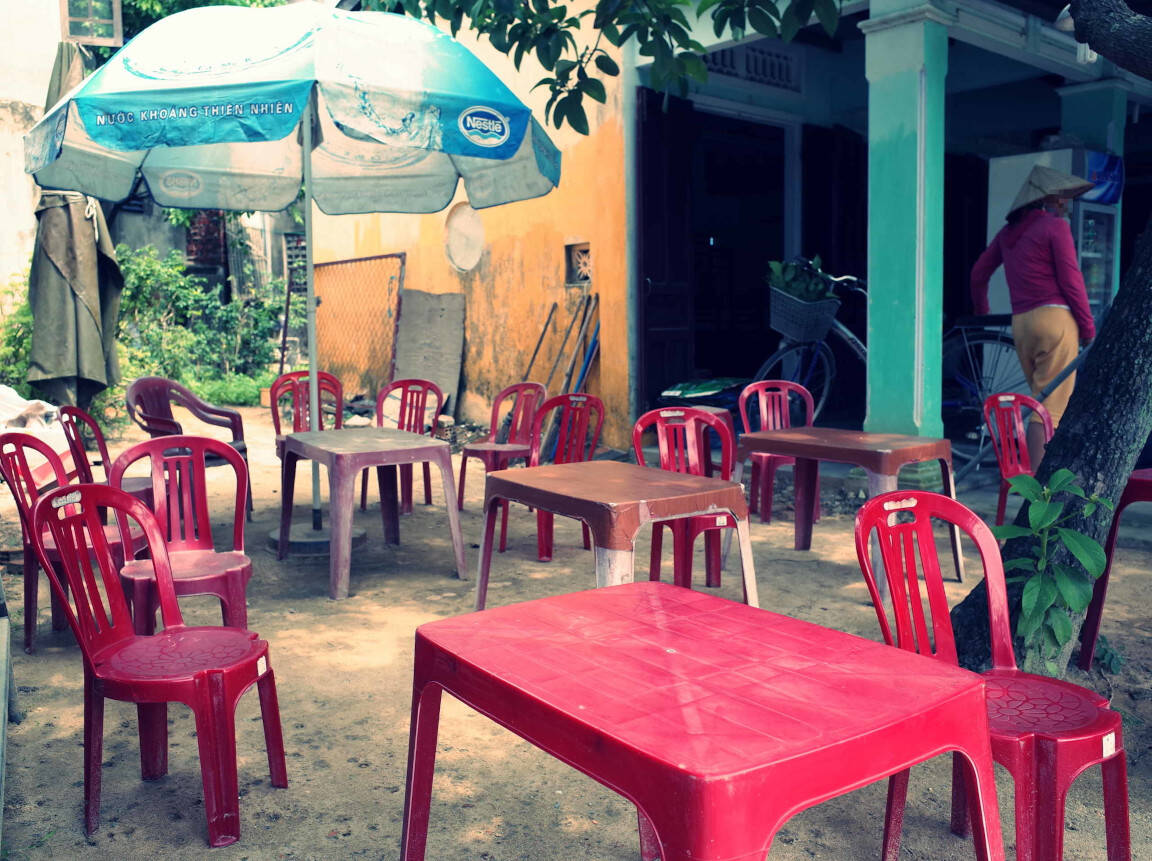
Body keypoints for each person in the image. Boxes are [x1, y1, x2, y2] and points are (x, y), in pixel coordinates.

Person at [970, 164, 1096, 468]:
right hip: (1056, 321)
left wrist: (982, 312)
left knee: (1040, 401)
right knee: (1049, 408)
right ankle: (1038, 487)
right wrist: (1088, 327)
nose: (1065, 204)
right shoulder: (1054, 227)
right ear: (1046, 200)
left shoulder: (1007, 234)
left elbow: (978, 275)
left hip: (1022, 324)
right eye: (1060, 198)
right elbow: (1071, 280)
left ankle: (1030, 477)